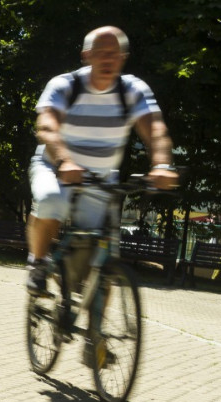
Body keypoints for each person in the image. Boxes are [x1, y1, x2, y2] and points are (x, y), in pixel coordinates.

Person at [27, 26, 179, 296]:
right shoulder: (65, 84)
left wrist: (161, 166)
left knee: (101, 265)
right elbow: (47, 127)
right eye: (101, 53)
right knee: (51, 199)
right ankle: (38, 264)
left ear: (124, 57)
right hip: (55, 166)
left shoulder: (133, 89)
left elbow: (155, 131)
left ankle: (98, 337)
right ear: (87, 55)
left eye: (115, 54)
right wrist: (65, 161)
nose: (108, 59)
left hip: (100, 177)